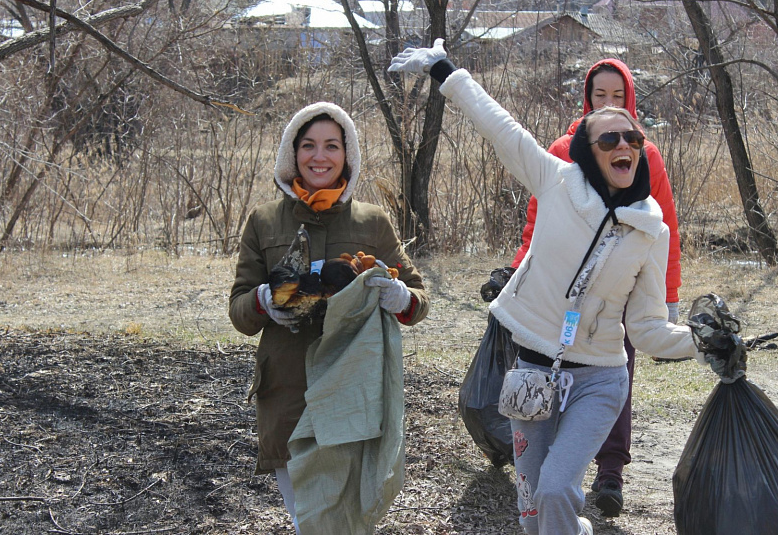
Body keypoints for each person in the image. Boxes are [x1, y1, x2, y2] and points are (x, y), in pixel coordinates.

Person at [389, 40, 720, 535]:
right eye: (609, 139)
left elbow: (647, 329)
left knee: (555, 490)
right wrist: (444, 71)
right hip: (531, 373)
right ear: (587, 152)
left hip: (599, 380)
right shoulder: (556, 180)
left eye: (631, 137)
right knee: (531, 515)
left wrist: (705, 341)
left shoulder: (651, 228)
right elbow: (498, 125)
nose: (624, 145)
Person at [228, 102, 429, 532]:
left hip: (355, 393)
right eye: (308, 145)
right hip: (288, 390)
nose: (319, 157)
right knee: (310, 519)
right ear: (292, 153)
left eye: (332, 146)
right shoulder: (264, 221)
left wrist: (398, 296)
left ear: (347, 155)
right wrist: (264, 300)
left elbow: (418, 301)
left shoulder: (372, 222)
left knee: (349, 520)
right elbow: (240, 313)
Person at [510, 58, 682, 517]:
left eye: (618, 97)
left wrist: (669, 299)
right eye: (599, 96)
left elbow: (663, 228)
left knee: (612, 375)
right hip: (552, 313)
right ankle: (558, 481)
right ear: (587, 99)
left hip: (617, 298)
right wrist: (517, 270)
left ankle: (610, 470)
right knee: (535, 497)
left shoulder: (644, 154)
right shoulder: (563, 153)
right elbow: (536, 221)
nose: (608, 103)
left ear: (631, 100)